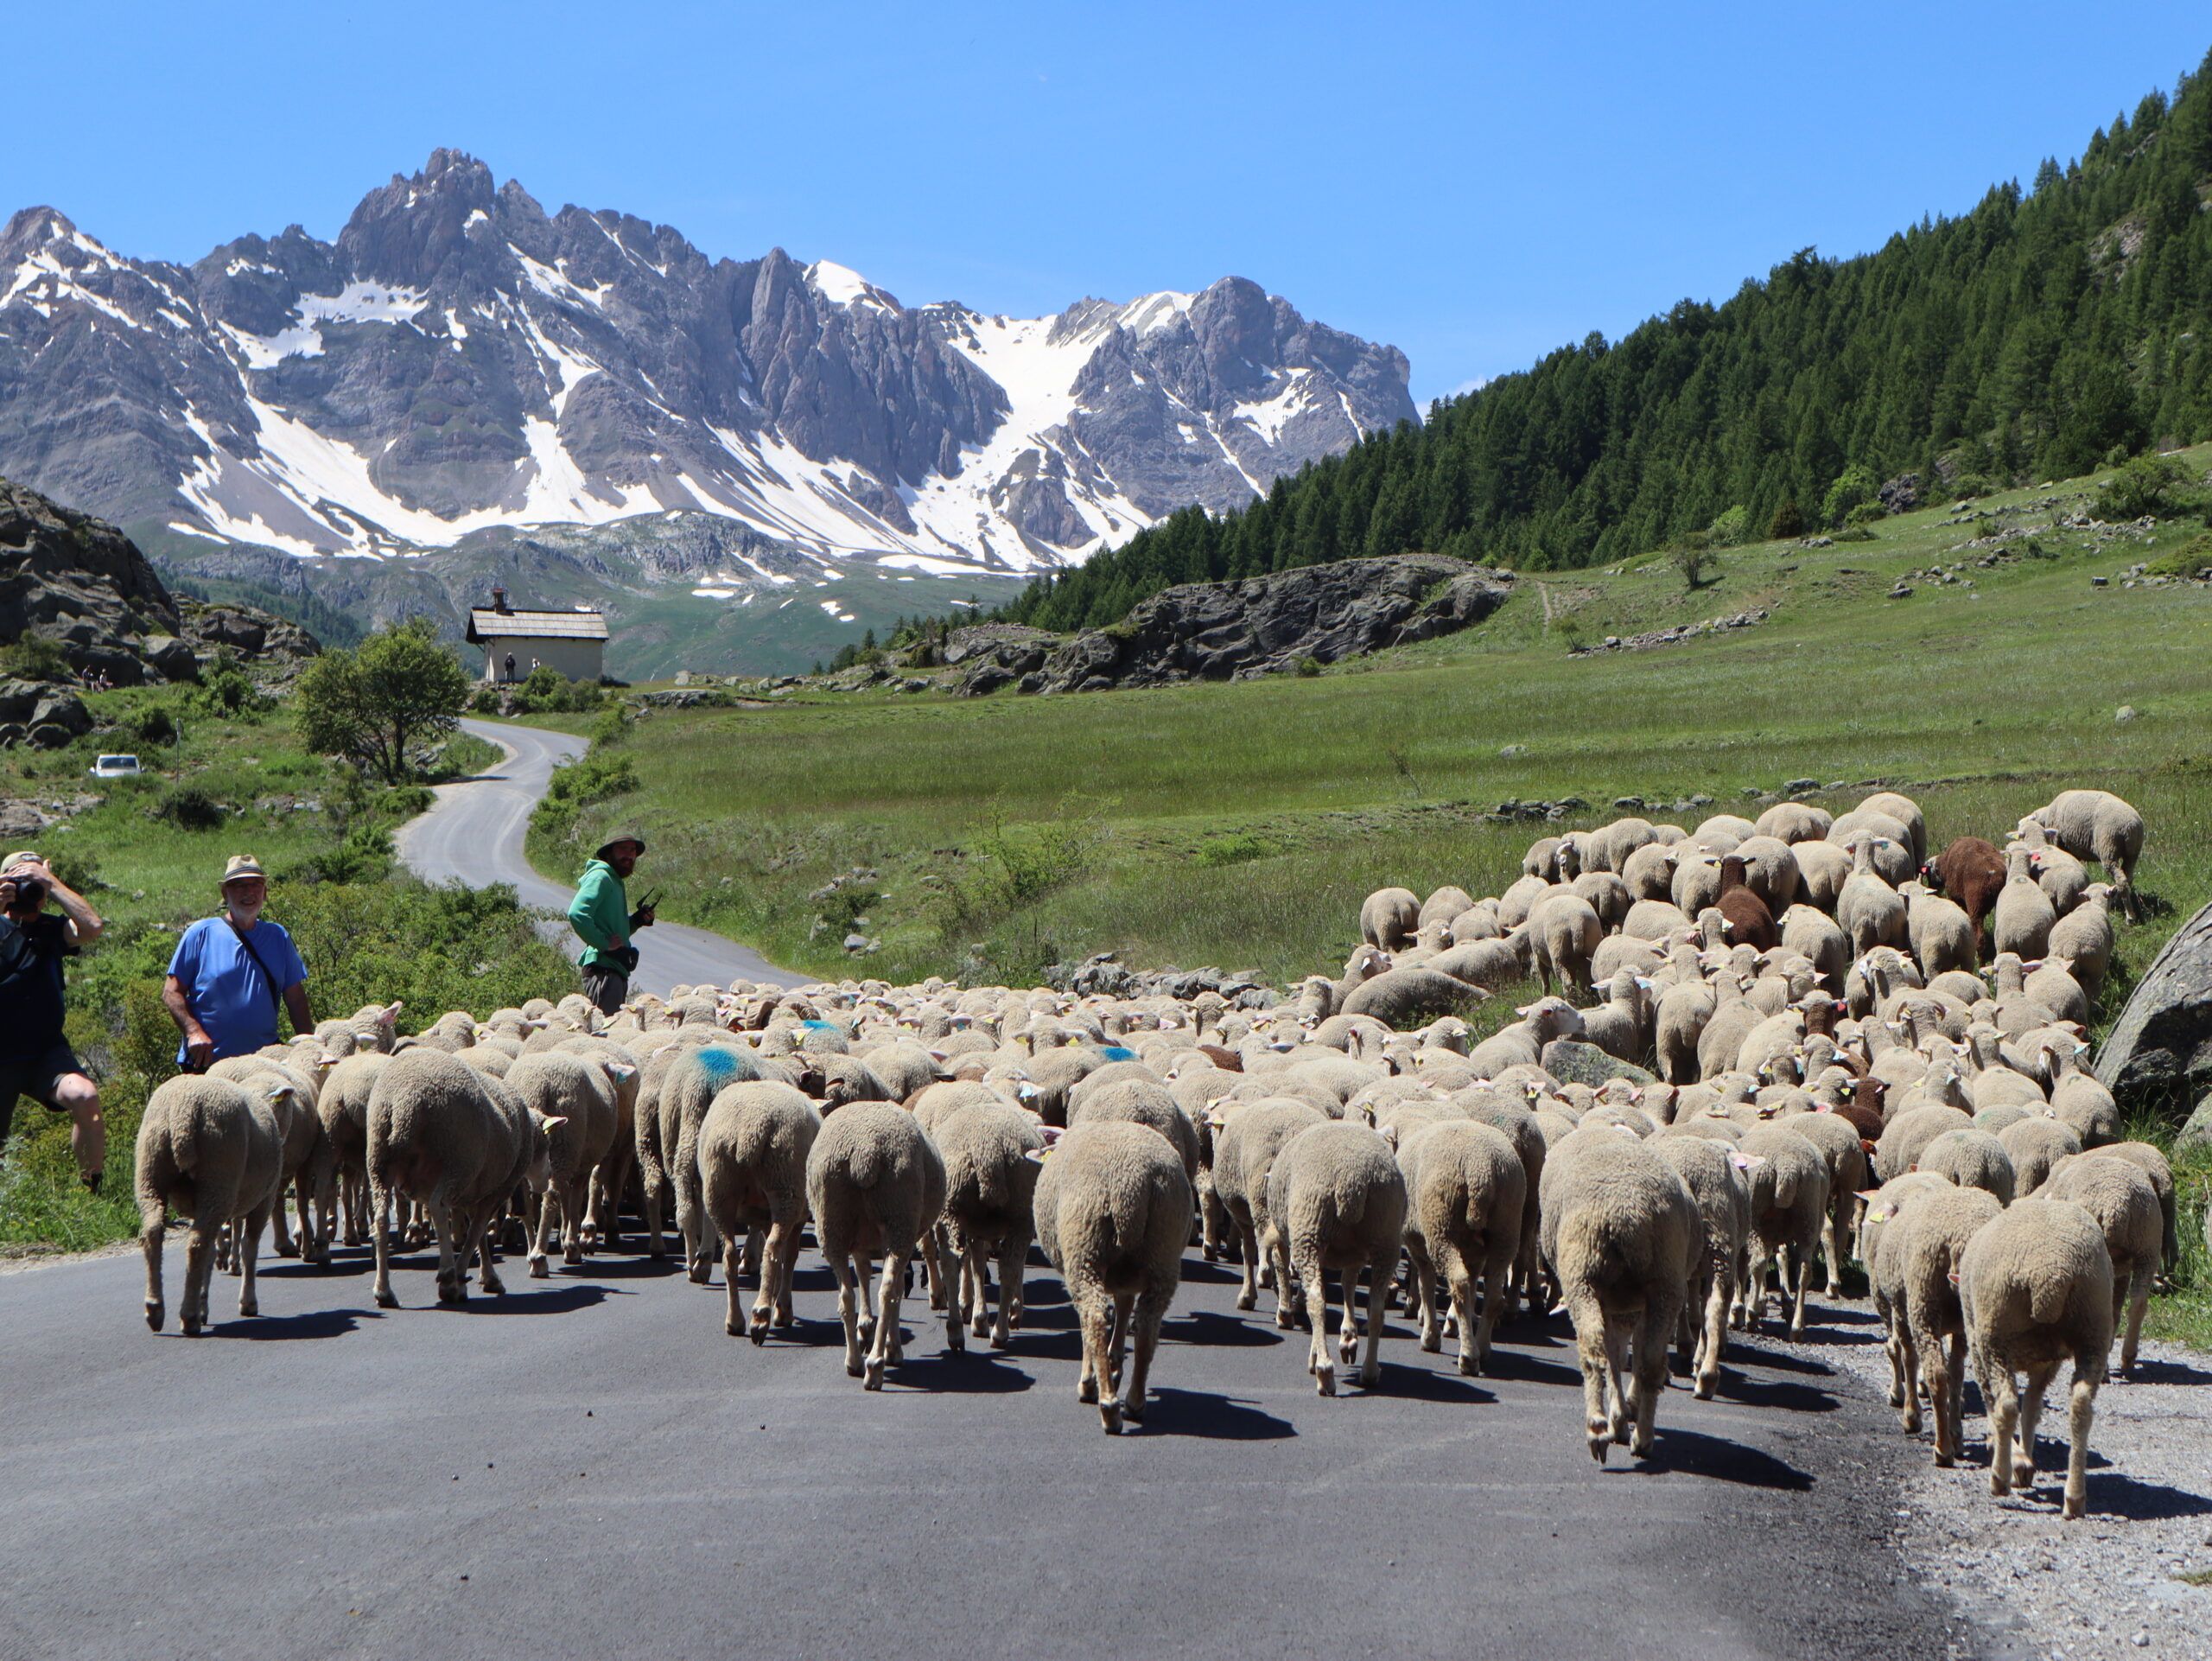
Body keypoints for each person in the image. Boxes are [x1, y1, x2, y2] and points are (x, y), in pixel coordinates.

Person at [0, 851, 106, 1190]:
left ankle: (92, 1190)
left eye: (35, 885)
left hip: (45, 1051)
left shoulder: (52, 929)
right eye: (21, 884)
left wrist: (52, 883)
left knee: (85, 1097)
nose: (31, 892)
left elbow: (92, 927)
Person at [162, 855, 312, 1070]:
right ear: (225, 893)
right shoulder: (201, 934)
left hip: (263, 1064)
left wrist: (307, 1046)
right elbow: (171, 991)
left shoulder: (278, 937)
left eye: (255, 885)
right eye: (239, 886)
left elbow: (295, 998)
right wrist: (193, 1031)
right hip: (208, 1064)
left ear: (264, 892)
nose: (248, 892)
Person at [567, 833, 654, 1015]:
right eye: (623, 849)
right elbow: (577, 914)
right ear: (608, 854)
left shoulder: (614, 880)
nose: (629, 856)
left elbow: (614, 931)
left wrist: (637, 921)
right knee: (606, 1030)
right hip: (604, 971)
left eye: (632, 851)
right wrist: (604, 944)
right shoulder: (601, 877)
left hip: (614, 970)